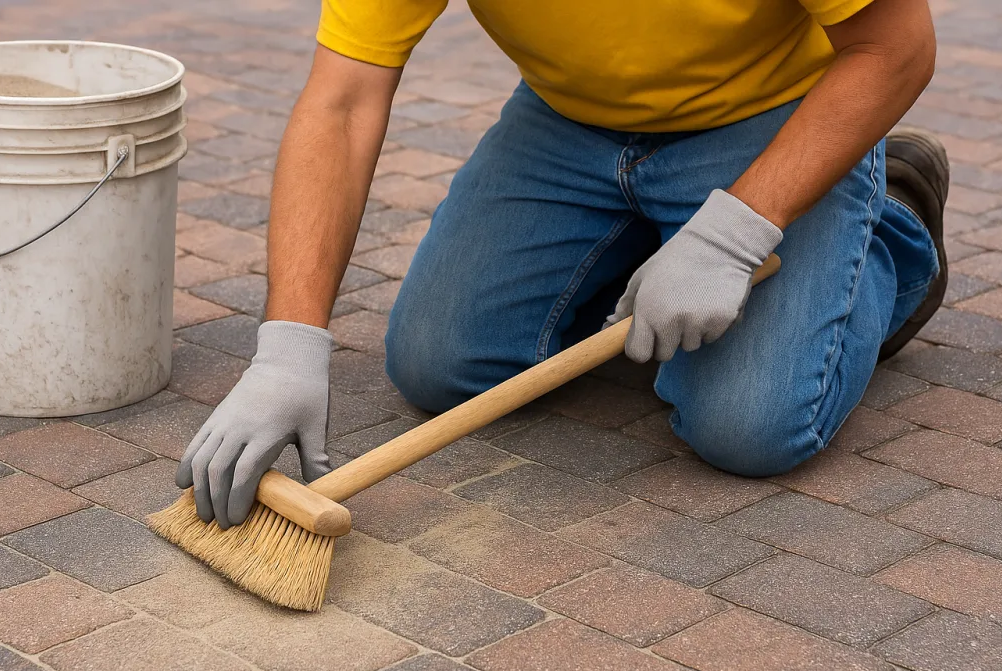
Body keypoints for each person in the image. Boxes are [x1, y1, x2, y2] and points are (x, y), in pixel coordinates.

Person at [177, 0, 946, 530]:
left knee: (750, 427)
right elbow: (343, 99)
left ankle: (892, 229)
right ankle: (657, 238)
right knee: (439, 365)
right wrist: (288, 347)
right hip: (568, 124)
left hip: (771, 115)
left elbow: (899, 48)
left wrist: (731, 237)